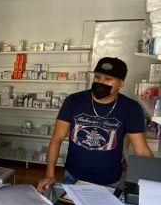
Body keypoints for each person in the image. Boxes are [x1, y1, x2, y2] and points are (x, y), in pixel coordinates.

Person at [37, 57, 154, 194]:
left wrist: (153, 182)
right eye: (97, 77)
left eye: (108, 79)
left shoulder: (131, 109)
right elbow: (57, 138)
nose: (101, 82)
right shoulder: (74, 101)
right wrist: (50, 175)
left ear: (121, 83)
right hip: (73, 176)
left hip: (110, 179)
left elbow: (141, 150)